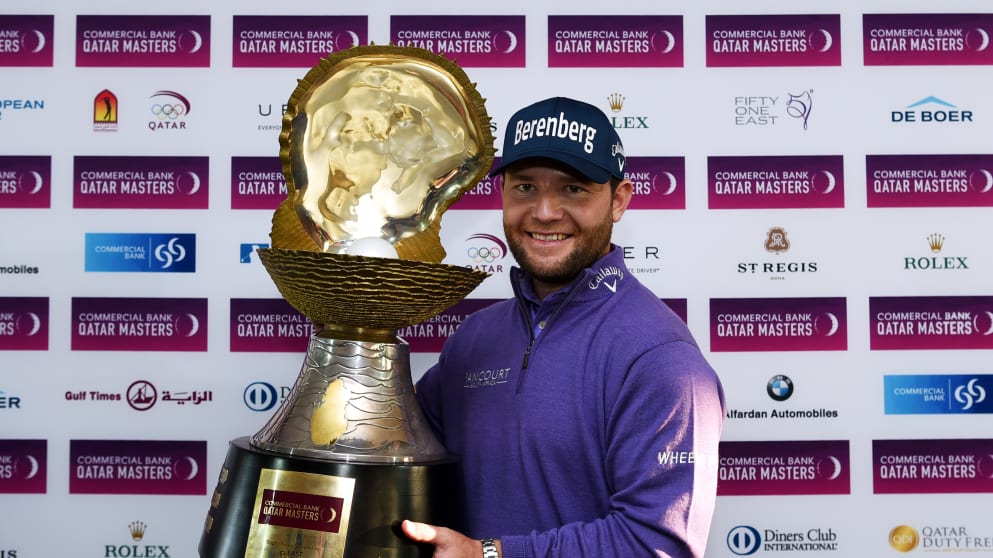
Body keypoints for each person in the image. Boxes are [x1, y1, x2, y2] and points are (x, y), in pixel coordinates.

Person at [402, 96, 726, 558]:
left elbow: (656, 543)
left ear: (618, 200)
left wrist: (490, 554)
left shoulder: (660, 357)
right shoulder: (474, 339)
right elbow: (398, 453)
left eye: (574, 189)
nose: (546, 212)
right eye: (525, 187)